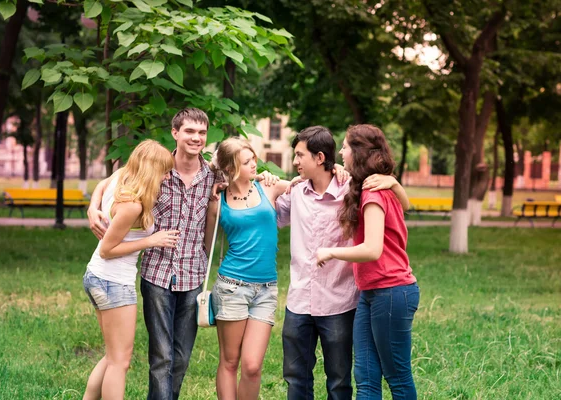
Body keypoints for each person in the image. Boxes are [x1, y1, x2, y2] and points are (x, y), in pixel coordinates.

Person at [88, 108, 276, 400]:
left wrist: (265, 177)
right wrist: (93, 205)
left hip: (193, 276)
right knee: (162, 358)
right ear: (175, 133)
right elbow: (113, 179)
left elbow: (246, 177)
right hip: (157, 275)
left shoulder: (214, 175)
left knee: (182, 357)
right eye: (189, 131)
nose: (197, 138)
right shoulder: (158, 167)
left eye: (202, 132)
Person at [275, 126, 410, 400]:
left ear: (320, 158)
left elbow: (397, 206)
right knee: (295, 377)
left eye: (300, 155)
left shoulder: (353, 190)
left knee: (339, 381)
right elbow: (268, 219)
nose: (296, 161)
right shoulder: (296, 192)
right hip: (299, 300)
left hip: (338, 300)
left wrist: (394, 182)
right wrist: (271, 184)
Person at [317, 124, 420, 400]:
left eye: (345, 147)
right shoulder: (373, 185)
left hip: (391, 290)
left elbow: (372, 249)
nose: (340, 151)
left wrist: (331, 252)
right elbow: (406, 206)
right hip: (371, 292)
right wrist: (395, 183)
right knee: (365, 377)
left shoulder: (374, 192)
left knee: (397, 376)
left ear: (359, 152)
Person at [82, 139, 179, 400]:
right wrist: (151, 240)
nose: (168, 176)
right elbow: (106, 249)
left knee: (112, 355)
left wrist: (92, 206)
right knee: (120, 362)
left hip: (99, 277)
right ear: (151, 169)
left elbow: (101, 185)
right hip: (113, 282)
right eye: (165, 171)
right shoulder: (132, 205)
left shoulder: (121, 176)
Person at [206, 137, 300, 400]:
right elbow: (206, 244)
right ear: (230, 167)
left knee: (252, 365)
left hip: (266, 289)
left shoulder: (268, 187)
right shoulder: (218, 200)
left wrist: (336, 169)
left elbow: (304, 184)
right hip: (231, 286)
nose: (254, 164)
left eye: (253, 159)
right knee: (229, 361)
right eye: (246, 162)